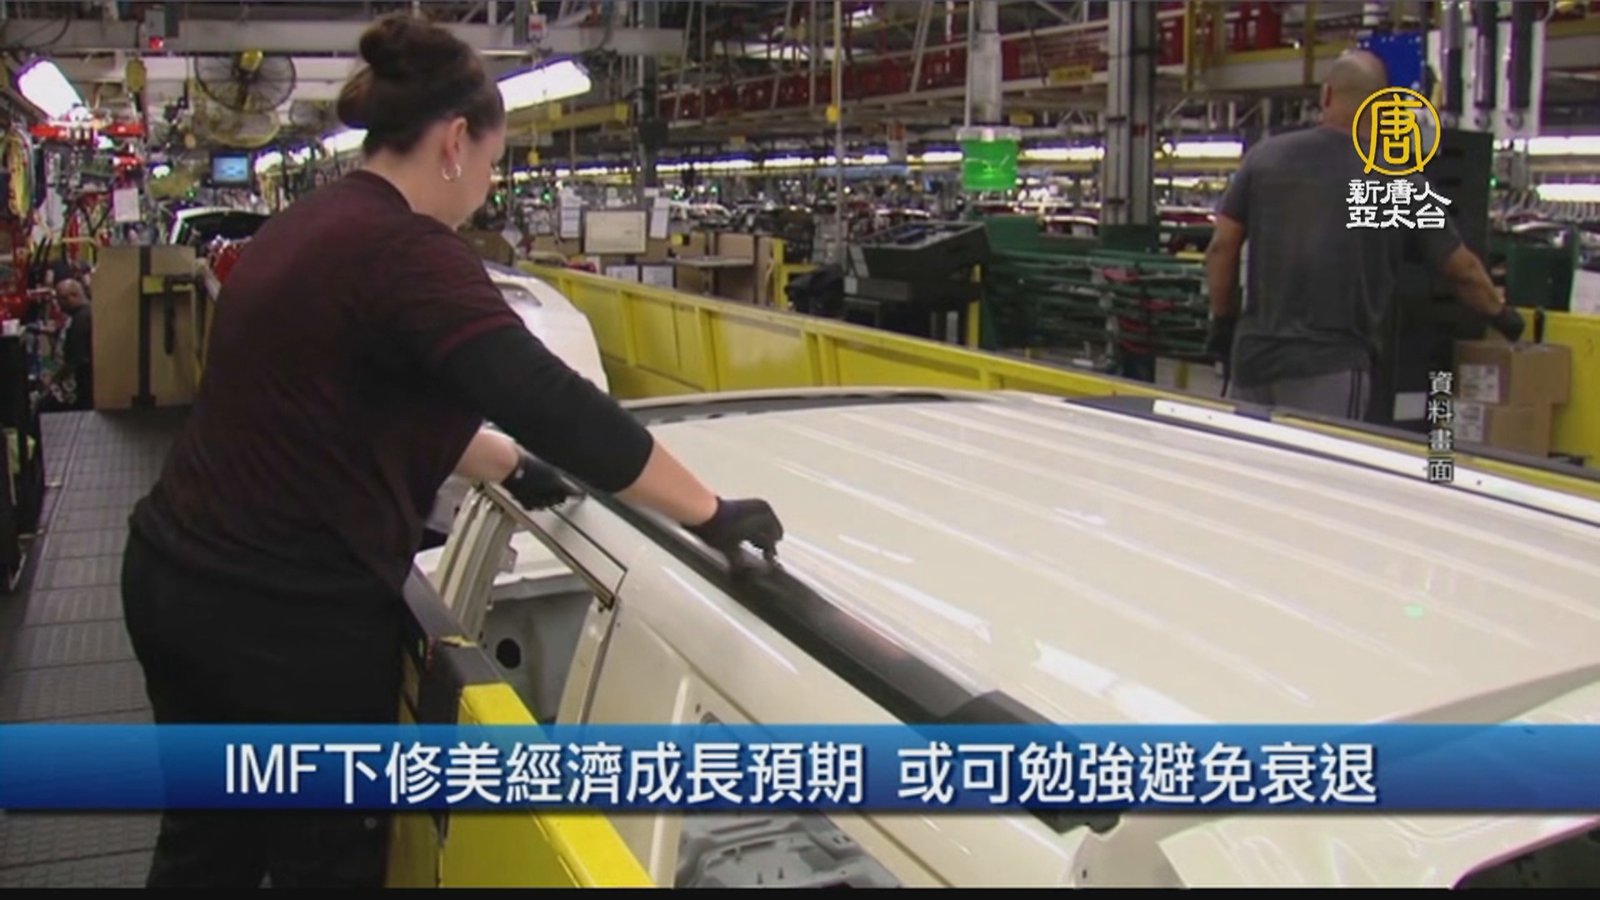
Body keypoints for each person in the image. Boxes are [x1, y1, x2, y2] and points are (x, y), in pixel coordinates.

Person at [118, 13, 784, 889]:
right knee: (326, 863)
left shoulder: (313, 222)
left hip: (175, 577)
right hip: (281, 621)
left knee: (209, 847)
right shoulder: (409, 252)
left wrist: (506, 466)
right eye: (493, 162)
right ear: (455, 140)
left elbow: (354, 398)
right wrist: (709, 511)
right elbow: (547, 398)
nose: (487, 185)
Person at [1204, 49, 1523, 420]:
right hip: (1332, 369)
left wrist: (1223, 323)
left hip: (1254, 362)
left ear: (1326, 94)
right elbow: (1462, 270)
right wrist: (1504, 316)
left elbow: (1221, 247)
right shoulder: (1398, 180)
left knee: (1250, 457)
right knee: (1322, 458)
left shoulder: (1264, 158)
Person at [52, 278, 93, 410]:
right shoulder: (85, 314)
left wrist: (57, 378)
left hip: (84, 382)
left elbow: (76, 358)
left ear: (72, 296)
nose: (59, 305)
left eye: (60, 299)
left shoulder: (80, 320)